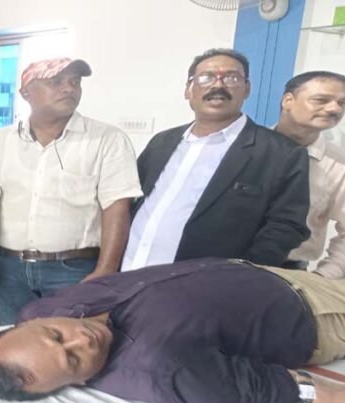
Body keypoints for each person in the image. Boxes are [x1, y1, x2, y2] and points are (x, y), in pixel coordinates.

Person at [0, 258, 345, 403]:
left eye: (57, 335)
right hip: (322, 314)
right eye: (72, 361)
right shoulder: (165, 371)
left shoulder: (35, 313)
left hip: (265, 273)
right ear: (75, 384)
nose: (82, 339)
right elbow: (299, 394)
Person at [0, 58, 142, 326]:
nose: (69, 88)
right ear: (26, 92)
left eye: (75, 82)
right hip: (8, 267)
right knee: (14, 339)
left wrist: (106, 270)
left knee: (70, 341)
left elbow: (117, 208)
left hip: (74, 269)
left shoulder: (107, 139)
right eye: (55, 82)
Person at [123, 48, 310, 271]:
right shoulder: (162, 142)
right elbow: (132, 202)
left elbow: (286, 226)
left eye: (231, 77)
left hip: (206, 283)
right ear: (188, 90)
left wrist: (237, 275)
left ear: (247, 89)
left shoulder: (281, 154)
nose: (218, 85)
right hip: (128, 271)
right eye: (206, 77)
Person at [274, 71, 345, 278]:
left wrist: (326, 275)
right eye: (321, 100)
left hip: (289, 273)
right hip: (220, 263)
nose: (334, 108)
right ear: (288, 101)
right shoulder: (244, 148)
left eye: (342, 102)